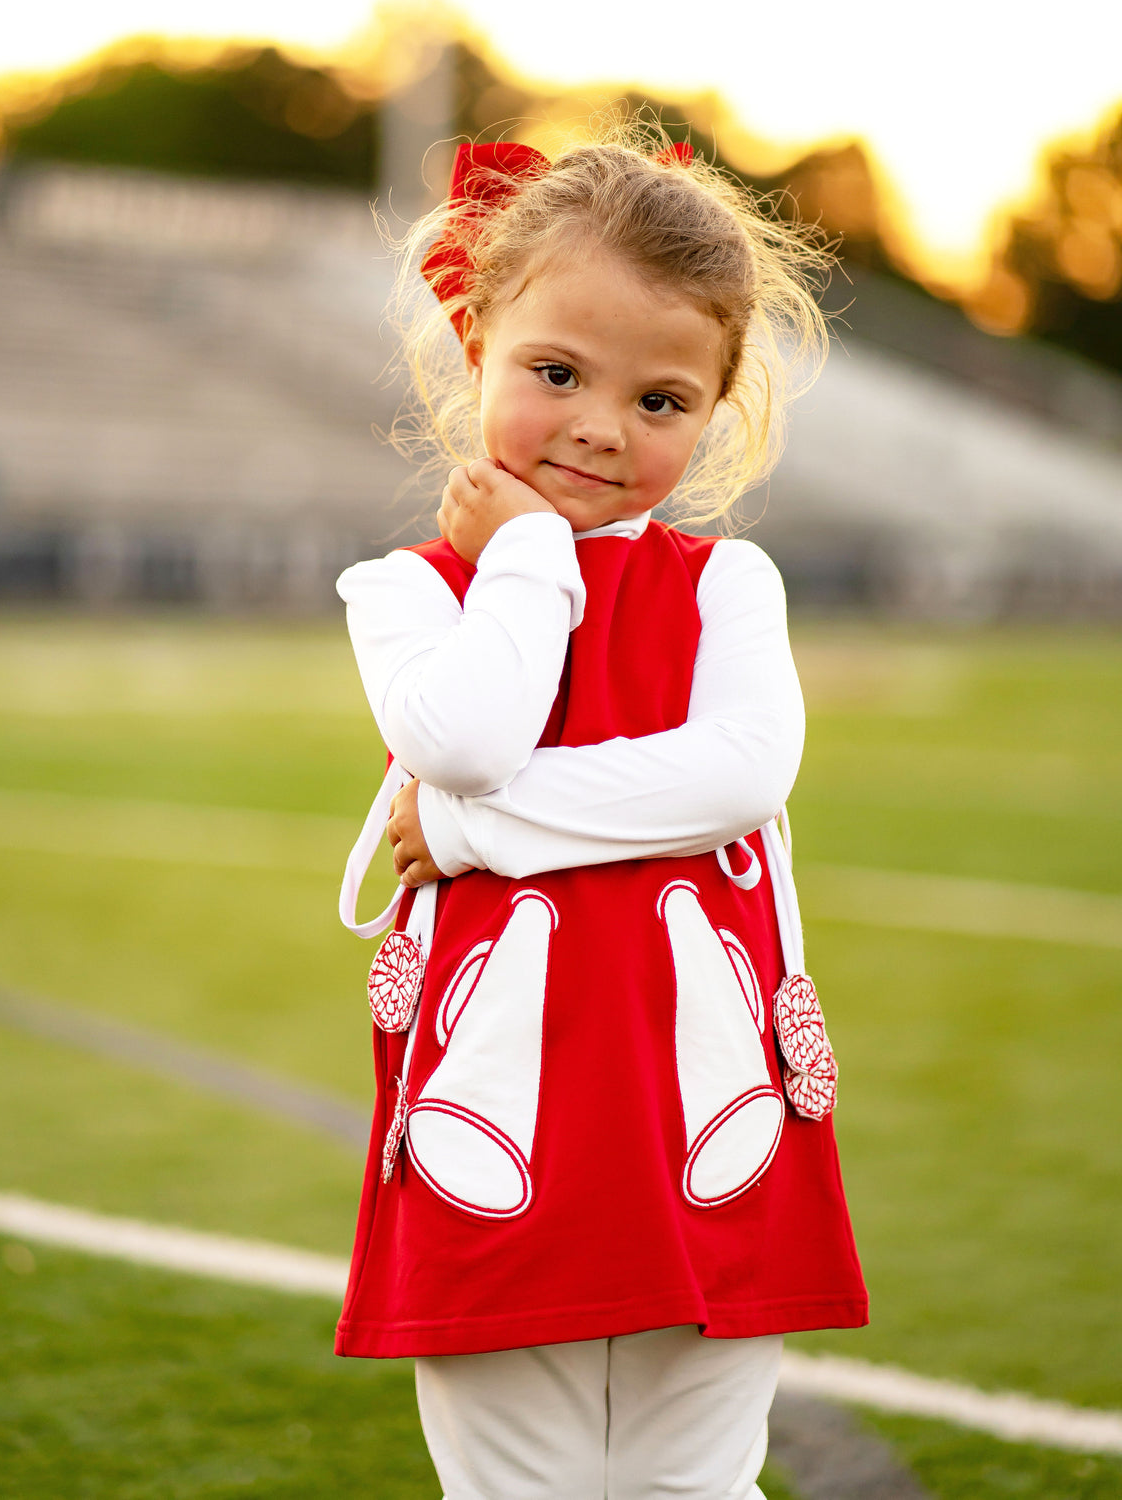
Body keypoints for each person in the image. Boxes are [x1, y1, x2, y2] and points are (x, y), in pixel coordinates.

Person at [335, 131, 867, 1500]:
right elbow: (461, 733)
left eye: (661, 399)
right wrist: (522, 557)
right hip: (500, 1110)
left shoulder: (727, 585)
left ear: (716, 411)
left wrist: (463, 834)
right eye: (557, 373)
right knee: (519, 1487)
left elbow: (741, 771)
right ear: (477, 344)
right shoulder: (408, 591)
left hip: (706, 1104)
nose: (597, 426)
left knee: (697, 1481)